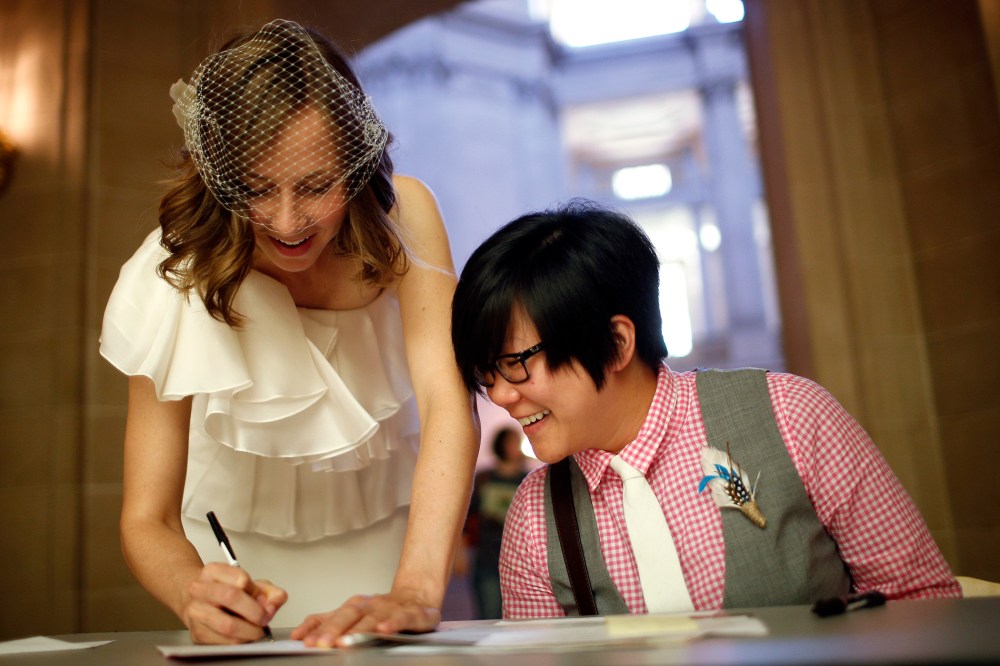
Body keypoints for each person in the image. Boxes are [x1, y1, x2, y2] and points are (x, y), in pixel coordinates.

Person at [100, 19, 477, 645]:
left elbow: (447, 403)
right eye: (255, 189)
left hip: (391, 548)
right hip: (226, 553)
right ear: (218, 171)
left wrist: (415, 589)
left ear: (356, 162)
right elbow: (148, 517)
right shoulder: (174, 262)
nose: (288, 221)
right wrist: (196, 595)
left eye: (315, 186)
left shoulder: (404, 217)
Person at [450, 200, 961, 619]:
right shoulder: (535, 515)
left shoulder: (790, 415)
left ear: (616, 343)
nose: (499, 396)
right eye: (486, 373)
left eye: (515, 364)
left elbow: (922, 603)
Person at [463, 427, 530, 619]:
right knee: (490, 617)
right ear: (501, 445)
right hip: (487, 560)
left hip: (522, 562)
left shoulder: (528, 479)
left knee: (522, 621)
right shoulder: (484, 478)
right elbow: (467, 516)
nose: (516, 446)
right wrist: (460, 551)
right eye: (512, 442)